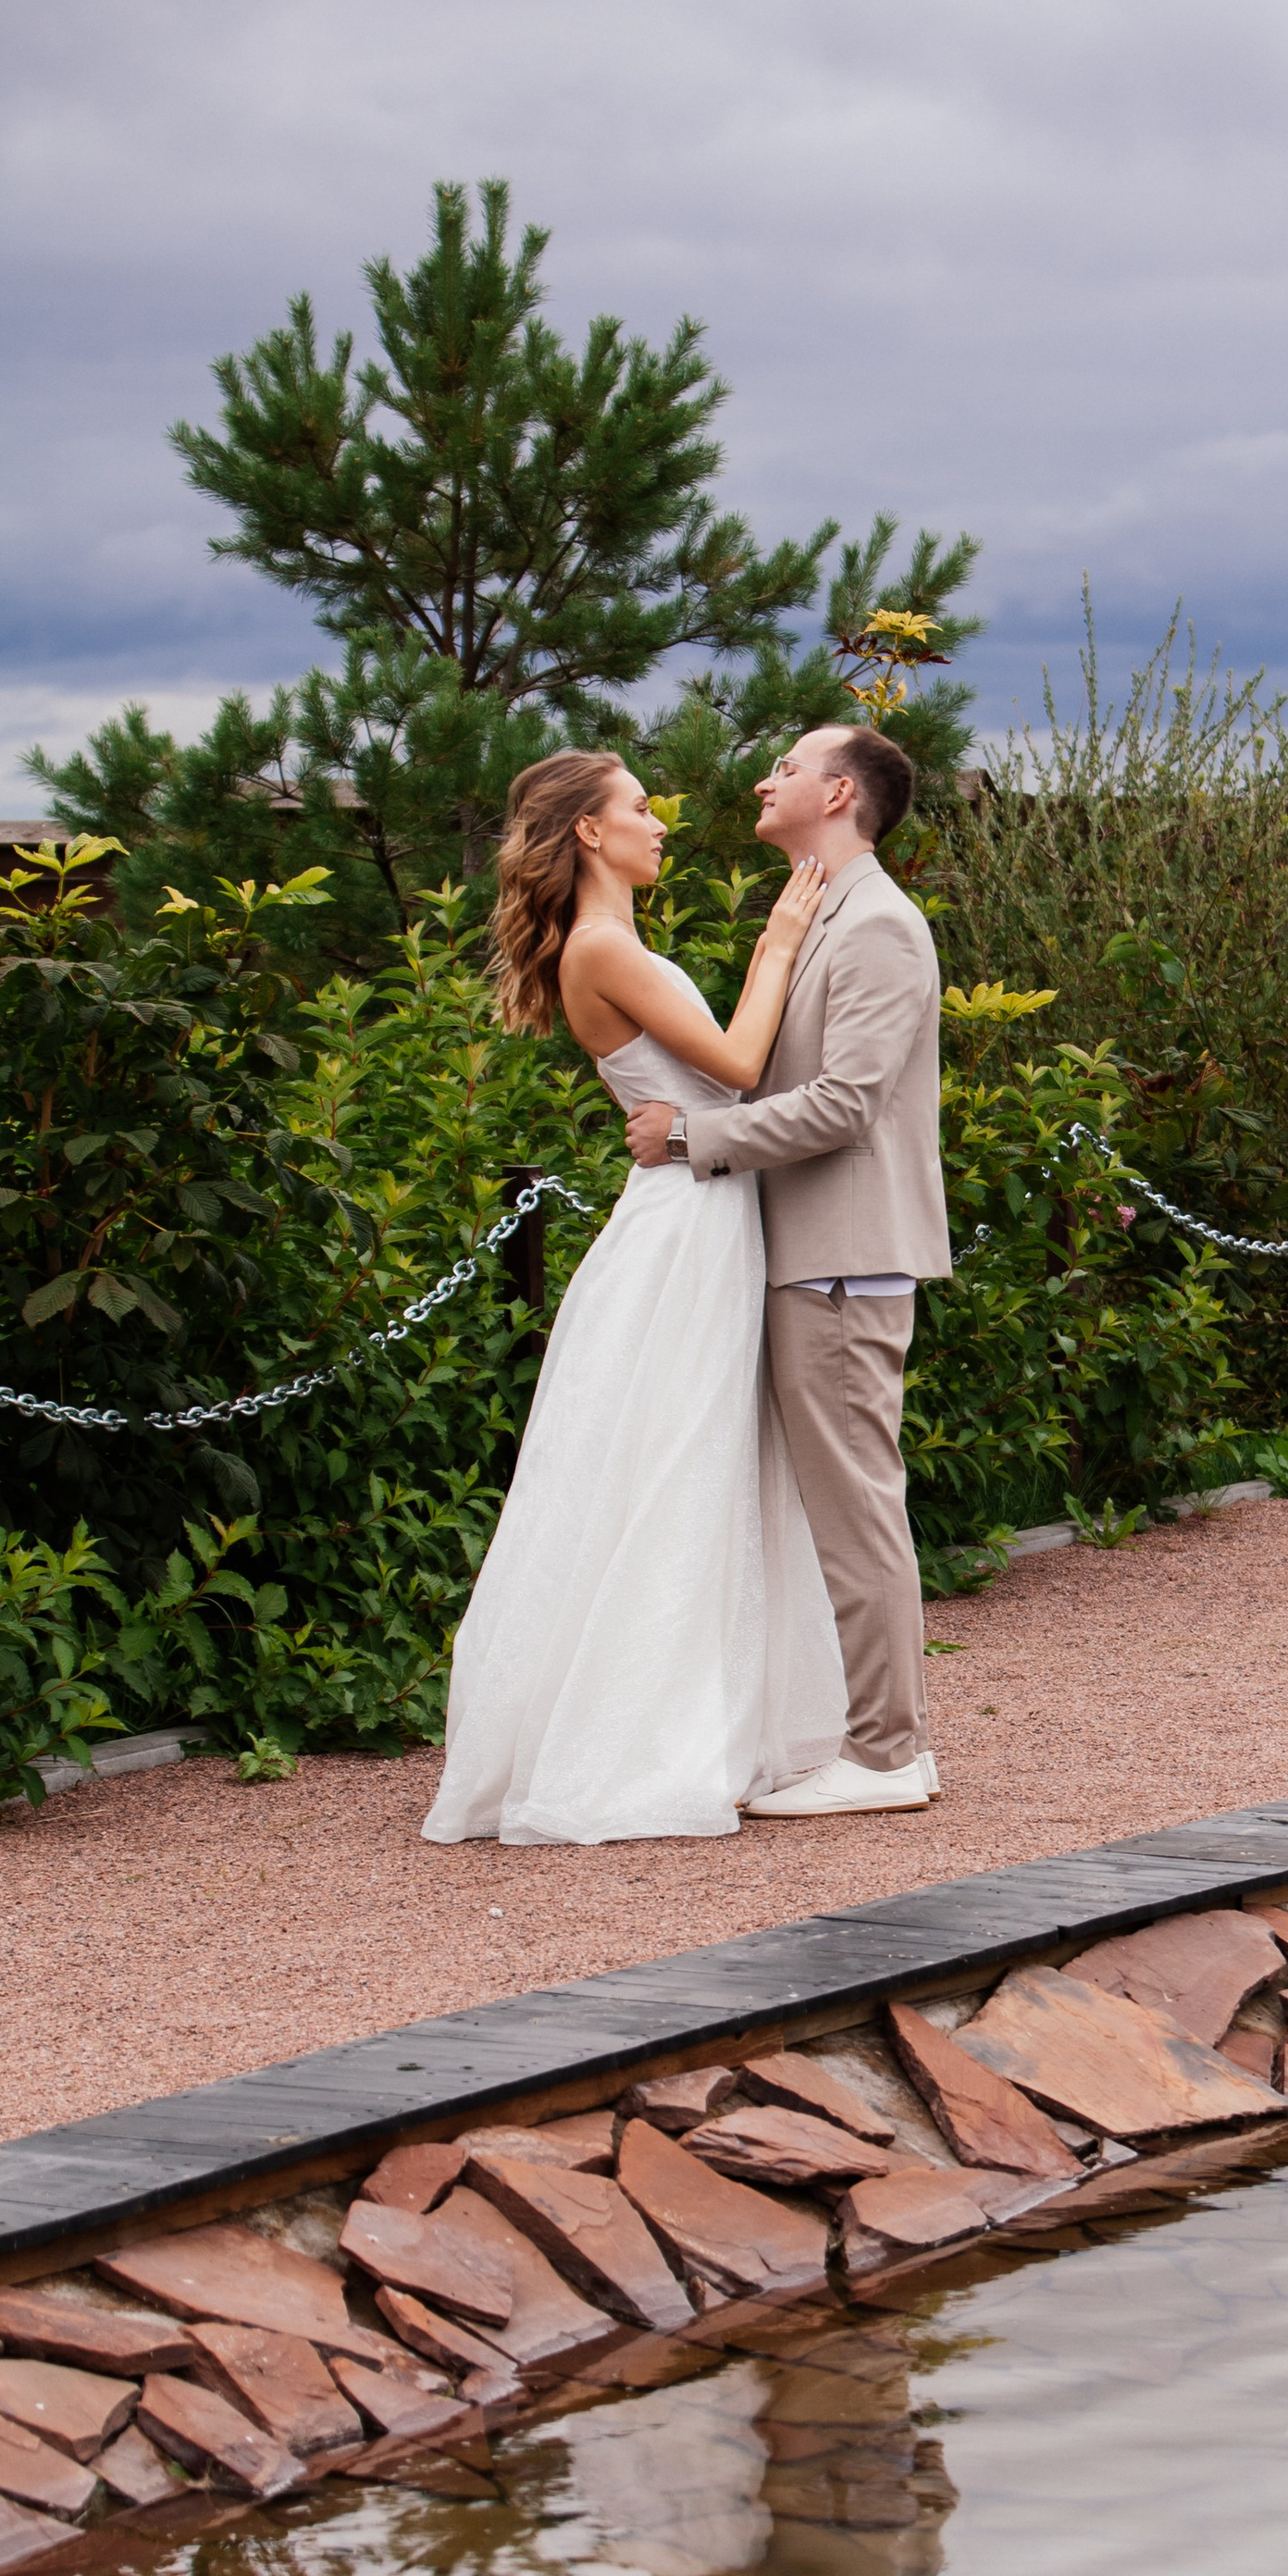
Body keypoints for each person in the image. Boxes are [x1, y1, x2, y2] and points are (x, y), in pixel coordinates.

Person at [422, 751, 848, 1846]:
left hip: (696, 1216)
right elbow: (744, 1066)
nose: (660, 824)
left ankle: (704, 1713)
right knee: (677, 1461)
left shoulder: (609, 945)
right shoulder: (606, 948)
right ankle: (638, 1738)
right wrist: (780, 942)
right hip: (687, 1231)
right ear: (591, 836)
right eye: (640, 810)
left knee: (678, 1460)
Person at [623, 724, 951, 1818]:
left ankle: (888, 1755)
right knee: (840, 1507)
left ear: (841, 792)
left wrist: (688, 1141)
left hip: (844, 1261)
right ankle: (870, 1741)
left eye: (789, 767)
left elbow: (847, 1104)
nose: (765, 781)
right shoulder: (824, 915)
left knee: (857, 1510)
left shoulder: (880, 928)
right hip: (808, 1257)